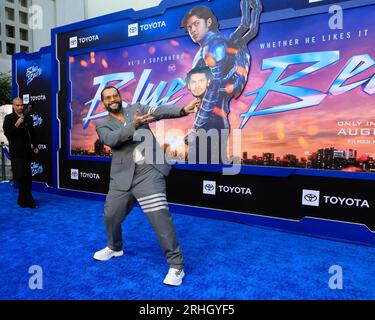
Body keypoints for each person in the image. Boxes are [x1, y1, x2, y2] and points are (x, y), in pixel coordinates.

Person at [94, 86, 200, 286]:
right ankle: (115, 247)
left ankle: (176, 266)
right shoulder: (102, 124)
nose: (112, 99)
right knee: (110, 215)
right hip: (122, 178)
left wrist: (182, 110)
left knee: (159, 217)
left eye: (115, 95)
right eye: (108, 97)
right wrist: (133, 126)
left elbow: (158, 111)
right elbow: (111, 140)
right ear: (104, 103)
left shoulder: (137, 108)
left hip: (149, 173)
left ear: (120, 97)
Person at [182, 0, 262, 162]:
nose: (193, 30)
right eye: (190, 27)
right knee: (206, 175)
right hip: (213, 121)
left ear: (209, 22)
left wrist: (196, 128)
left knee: (202, 174)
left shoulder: (213, 46)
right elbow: (248, 28)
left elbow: (213, 89)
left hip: (210, 122)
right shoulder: (213, 45)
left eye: (196, 24)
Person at [3, 97, 39, 208]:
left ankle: (22, 200)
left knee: (27, 178)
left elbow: (32, 133)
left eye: (21, 105)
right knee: (21, 177)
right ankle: (29, 200)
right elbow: (8, 134)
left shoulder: (28, 118)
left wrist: (36, 146)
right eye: (17, 105)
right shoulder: (9, 118)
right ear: (13, 106)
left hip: (27, 152)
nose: (20, 107)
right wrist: (17, 124)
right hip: (16, 153)